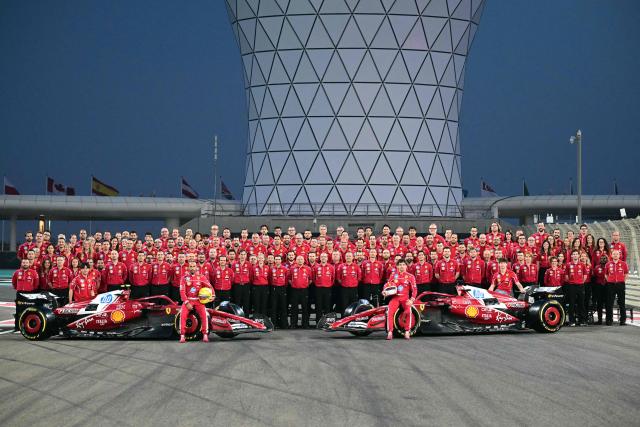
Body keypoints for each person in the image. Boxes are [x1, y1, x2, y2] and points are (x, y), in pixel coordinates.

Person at [179, 260, 214, 343]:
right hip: (188, 300)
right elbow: (182, 291)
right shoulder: (184, 278)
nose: (192, 268)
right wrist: (186, 302)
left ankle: (205, 335)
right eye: (190, 266)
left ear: (196, 267)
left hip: (199, 301)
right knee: (182, 315)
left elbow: (210, 286)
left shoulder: (201, 277)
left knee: (204, 315)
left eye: (193, 266)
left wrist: (213, 295)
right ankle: (182, 335)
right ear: (188, 268)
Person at [382, 260, 417, 340]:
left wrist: (412, 300)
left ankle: (407, 331)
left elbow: (414, 289)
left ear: (406, 266)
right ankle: (390, 332)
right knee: (389, 312)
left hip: (405, 298)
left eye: (403, 265)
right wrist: (384, 291)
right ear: (397, 266)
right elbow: (387, 285)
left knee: (409, 311)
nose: (401, 266)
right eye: (400, 265)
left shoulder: (410, 276)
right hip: (395, 298)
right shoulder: (393, 275)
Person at [12, 259, 39, 331]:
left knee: (30, 310)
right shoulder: (17, 272)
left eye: (26, 262)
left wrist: (31, 290)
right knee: (18, 310)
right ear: (21, 263)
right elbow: (14, 283)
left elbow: (36, 284)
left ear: (29, 264)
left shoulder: (34, 272)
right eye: (23, 262)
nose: (25, 264)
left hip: (29, 294)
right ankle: (17, 327)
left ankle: (29, 326)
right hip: (20, 294)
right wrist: (18, 288)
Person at [604, 249, 629, 326]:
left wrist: (622, 281)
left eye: (617, 254)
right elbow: (606, 274)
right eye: (614, 254)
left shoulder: (624, 264)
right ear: (611, 255)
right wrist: (609, 280)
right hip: (610, 285)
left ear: (619, 255)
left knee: (622, 302)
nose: (615, 255)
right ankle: (609, 320)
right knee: (609, 303)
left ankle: (623, 320)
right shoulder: (608, 264)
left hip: (620, 284)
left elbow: (626, 274)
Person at [564, 249, 588, 326]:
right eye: (573, 254)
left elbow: (585, 276)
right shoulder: (568, 265)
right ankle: (572, 321)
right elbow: (567, 276)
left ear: (578, 256)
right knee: (572, 303)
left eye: (576, 254)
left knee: (581, 303)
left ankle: (582, 321)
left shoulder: (582, 265)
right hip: (571, 286)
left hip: (580, 285)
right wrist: (572, 282)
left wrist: (580, 282)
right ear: (571, 256)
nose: (575, 255)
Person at [289, 255, 311, 328]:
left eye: (301, 259)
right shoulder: (292, 268)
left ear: (304, 260)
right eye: (298, 259)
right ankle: (293, 324)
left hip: (304, 290)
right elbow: (289, 279)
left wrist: (306, 285)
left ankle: (305, 324)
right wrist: (293, 284)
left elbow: (310, 279)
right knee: (294, 308)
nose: (300, 260)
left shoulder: (308, 269)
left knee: (305, 308)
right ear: (296, 260)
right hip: (294, 290)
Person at [313, 252, 335, 324]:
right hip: (318, 289)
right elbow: (313, 278)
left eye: (325, 257)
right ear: (320, 258)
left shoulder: (331, 267)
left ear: (327, 258)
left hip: (327, 289)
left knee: (327, 306)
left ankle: (327, 323)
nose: (323, 258)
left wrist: (329, 284)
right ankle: (318, 322)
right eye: (322, 257)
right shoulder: (316, 267)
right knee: (318, 305)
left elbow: (333, 278)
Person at [269, 255, 289, 329]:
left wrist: (283, 286)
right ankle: (273, 324)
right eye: (276, 259)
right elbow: (270, 279)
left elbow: (287, 280)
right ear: (274, 260)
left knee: (283, 306)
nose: (277, 261)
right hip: (274, 288)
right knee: (274, 307)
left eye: (278, 259)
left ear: (281, 260)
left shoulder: (285, 269)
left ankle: (284, 324)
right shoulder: (271, 269)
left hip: (282, 288)